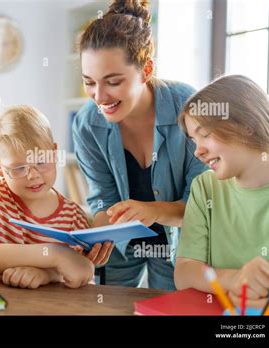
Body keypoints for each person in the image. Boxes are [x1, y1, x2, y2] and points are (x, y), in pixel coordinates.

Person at [72, 0, 207, 289]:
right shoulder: (87, 124)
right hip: (121, 245)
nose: (99, 96)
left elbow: (203, 205)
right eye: (89, 82)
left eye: (113, 81)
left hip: (182, 246)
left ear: (146, 70)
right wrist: (95, 237)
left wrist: (154, 210)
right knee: (109, 307)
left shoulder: (188, 107)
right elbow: (103, 200)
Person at [0, 105, 113, 289]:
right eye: (19, 168)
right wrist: (55, 255)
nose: (33, 175)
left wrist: (46, 274)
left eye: (41, 161)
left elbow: (81, 270)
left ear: (54, 154)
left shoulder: (73, 215)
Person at [174, 74, 269, 308]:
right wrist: (236, 280)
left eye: (204, 135)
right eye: (194, 140)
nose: (197, 151)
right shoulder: (205, 188)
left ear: (247, 125)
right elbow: (184, 272)